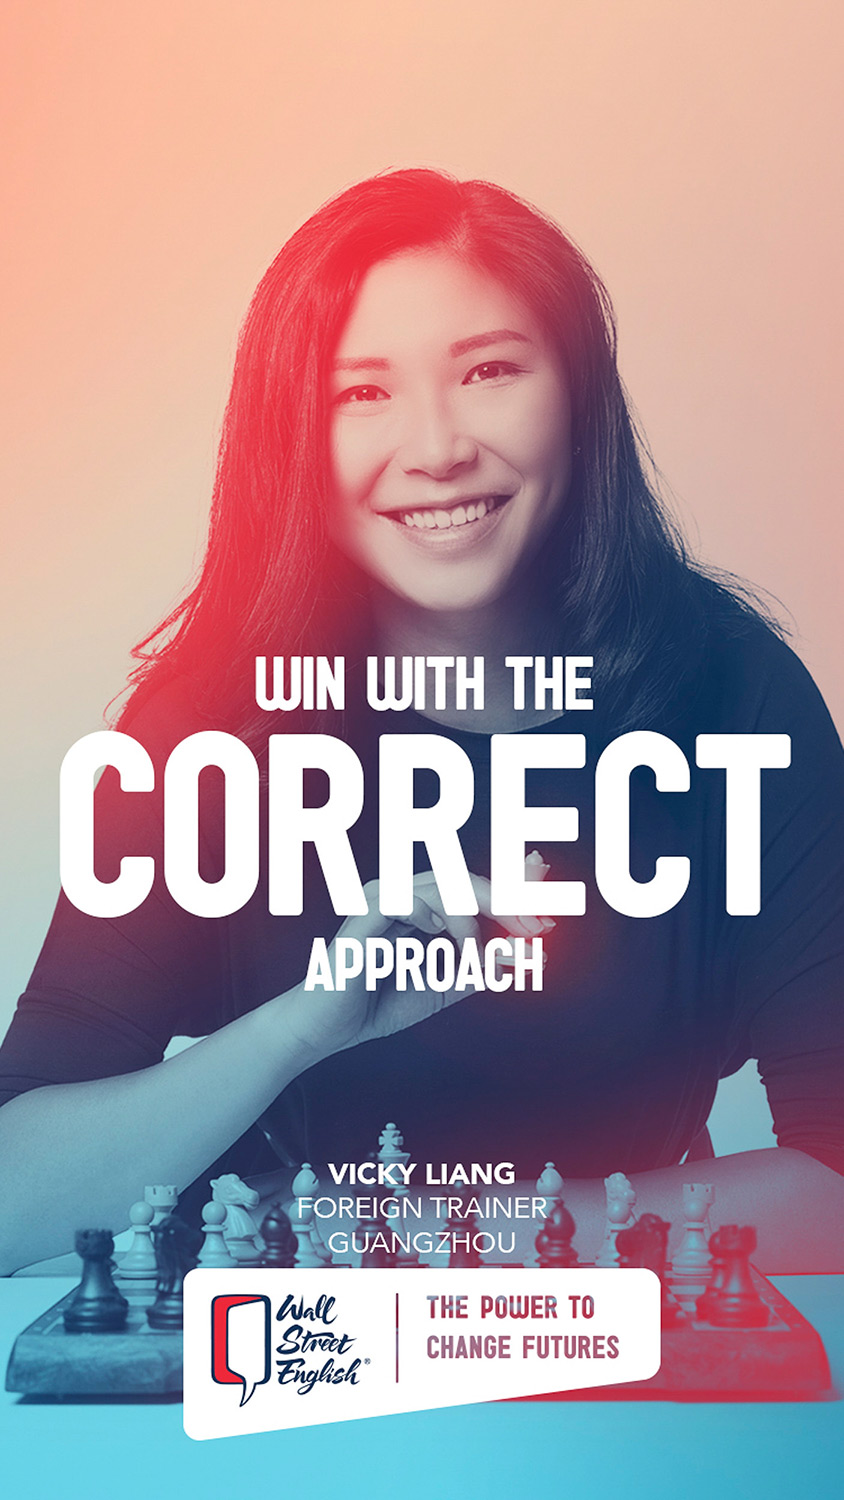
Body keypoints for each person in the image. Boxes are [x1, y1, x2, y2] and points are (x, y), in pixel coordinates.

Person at [1, 169, 842, 1276]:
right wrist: (300, 1026)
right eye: (362, 393)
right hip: (292, 1387)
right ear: (292, 436)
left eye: (490, 371)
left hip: (626, 1397)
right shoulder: (205, 735)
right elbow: (13, 1206)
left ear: (578, 396)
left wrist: (420, 1236)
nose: (438, 446)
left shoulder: (739, 697)